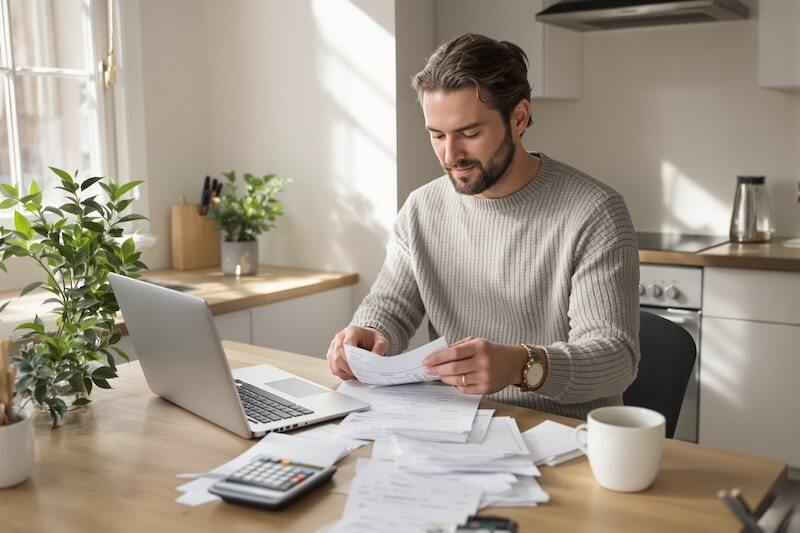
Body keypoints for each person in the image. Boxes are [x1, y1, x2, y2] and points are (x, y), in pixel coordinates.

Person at [325, 33, 640, 419]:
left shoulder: (594, 212)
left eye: (470, 134)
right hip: (457, 430)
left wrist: (522, 365)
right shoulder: (422, 209)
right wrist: (369, 335)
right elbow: (390, 306)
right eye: (436, 135)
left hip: (564, 437)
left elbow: (615, 358)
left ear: (519, 118)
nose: (450, 155)